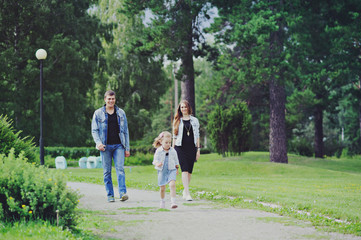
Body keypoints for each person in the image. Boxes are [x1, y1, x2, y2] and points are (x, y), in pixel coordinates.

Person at [91, 90, 130, 202]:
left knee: (120, 169)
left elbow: (126, 131)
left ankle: (122, 193)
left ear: (115, 99)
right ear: (105, 99)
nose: (111, 101)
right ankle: (110, 195)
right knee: (107, 171)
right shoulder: (98, 113)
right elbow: (94, 130)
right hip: (105, 146)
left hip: (119, 146)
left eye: (113, 99)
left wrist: (127, 148)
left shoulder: (121, 113)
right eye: (109, 99)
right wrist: (98, 143)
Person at [172, 100, 200, 201]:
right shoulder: (177, 120)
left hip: (192, 148)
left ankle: (185, 190)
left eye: (185, 107)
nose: (183, 109)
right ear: (180, 109)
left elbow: (197, 136)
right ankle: (187, 193)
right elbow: (174, 136)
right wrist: (172, 150)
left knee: (190, 171)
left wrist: (198, 149)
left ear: (188, 108)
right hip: (180, 148)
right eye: (182, 107)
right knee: (184, 169)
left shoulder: (195, 120)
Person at [153, 131, 179, 209]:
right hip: (162, 171)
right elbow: (154, 160)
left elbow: (176, 161)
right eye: (166, 142)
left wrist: (177, 169)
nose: (168, 144)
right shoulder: (158, 151)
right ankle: (162, 200)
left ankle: (173, 202)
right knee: (162, 188)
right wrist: (157, 164)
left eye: (169, 142)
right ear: (161, 142)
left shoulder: (173, 151)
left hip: (172, 170)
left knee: (172, 184)